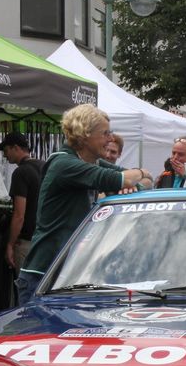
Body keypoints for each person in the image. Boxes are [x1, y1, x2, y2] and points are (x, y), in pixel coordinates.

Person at [16, 104, 151, 305]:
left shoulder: (88, 163)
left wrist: (133, 179)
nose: (110, 139)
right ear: (85, 134)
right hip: (44, 275)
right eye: (105, 133)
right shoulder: (64, 164)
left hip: (68, 274)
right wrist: (135, 174)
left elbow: (146, 183)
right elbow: (127, 178)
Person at [0, 132, 44, 272]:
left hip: (27, 242)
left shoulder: (20, 173)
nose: (5, 156)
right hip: (45, 238)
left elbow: (19, 215)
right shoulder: (45, 166)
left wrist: (10, 245)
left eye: (6, 151)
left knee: (25, 287)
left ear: (16, 148)